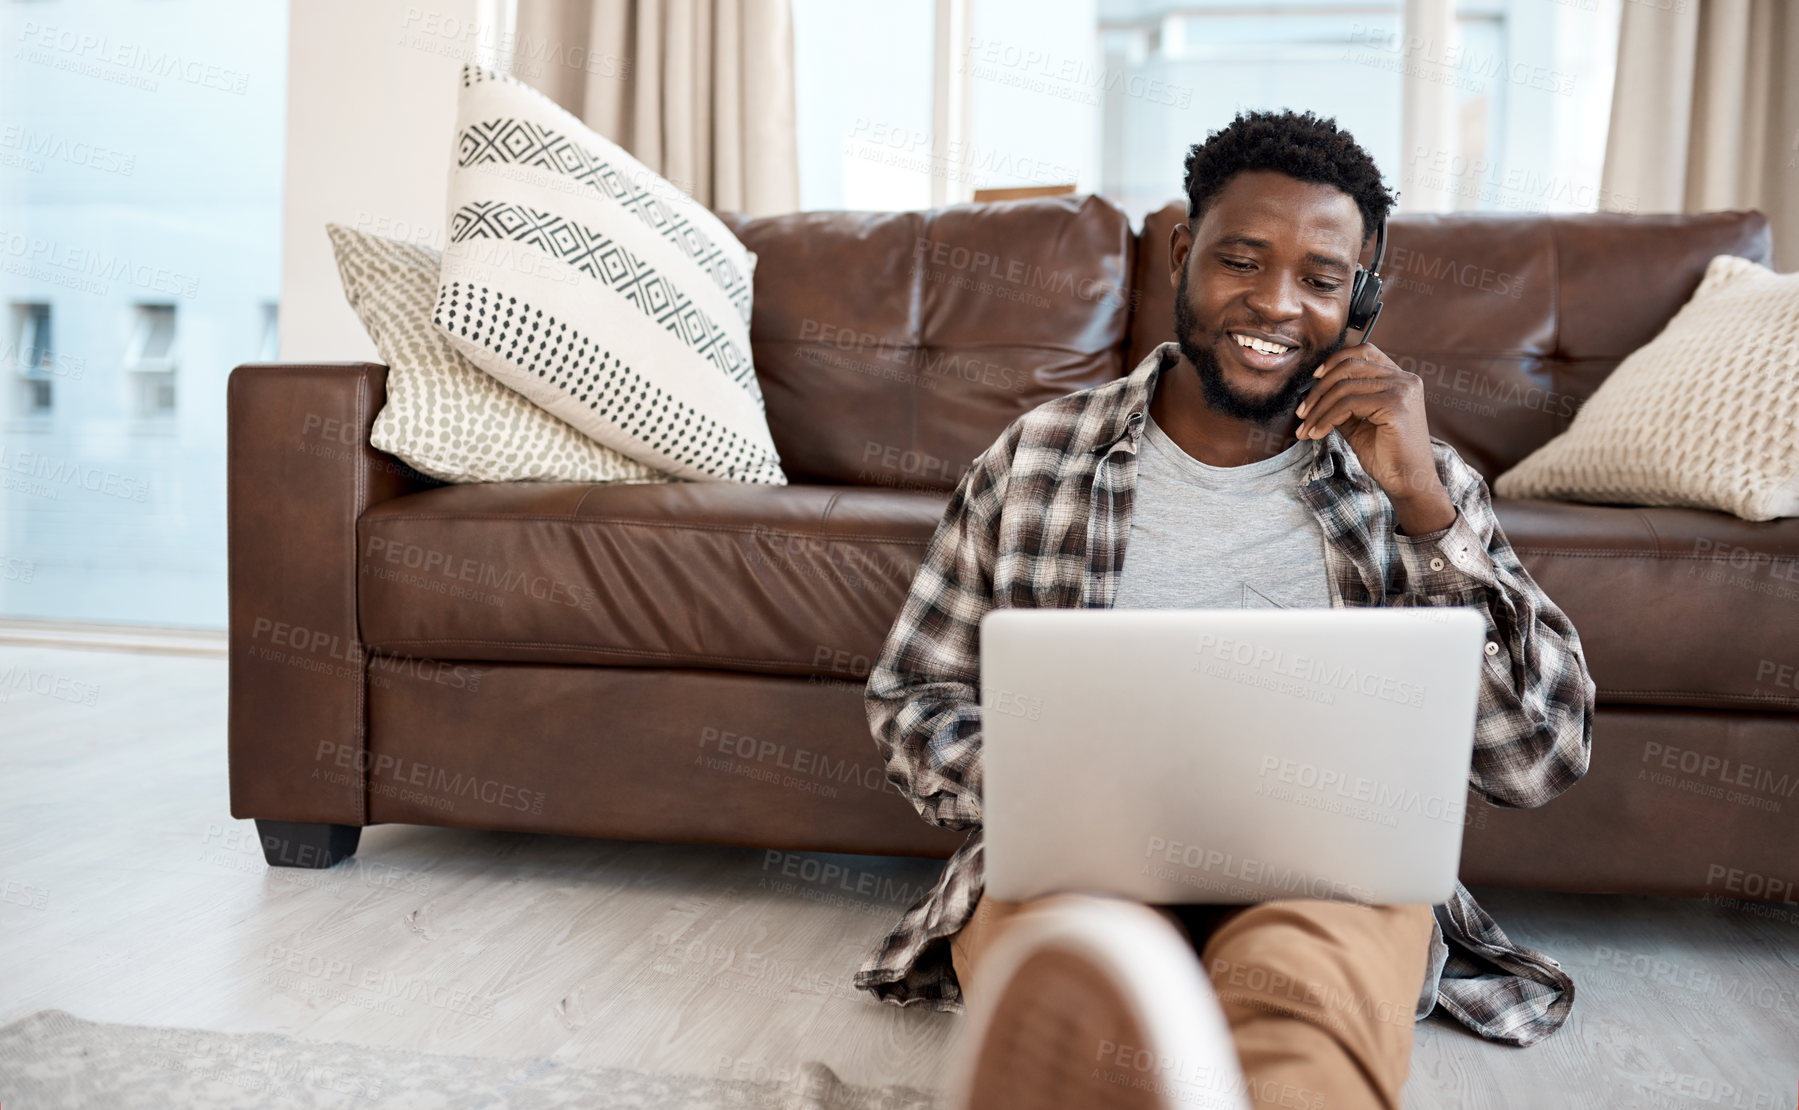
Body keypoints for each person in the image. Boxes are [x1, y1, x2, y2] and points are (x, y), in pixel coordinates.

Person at [853, 110, 1597, 1110]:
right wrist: (1044, 790)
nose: (1275, 304)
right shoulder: (1035, 457)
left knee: (1307, 1001)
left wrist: (1423, 510)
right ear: (1179, 256)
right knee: (1073, 980)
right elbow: (915, 693)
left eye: (1321, 281)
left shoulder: (1422, 485)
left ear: (1363, 300)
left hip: (1328, 877)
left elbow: (1538, 758)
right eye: (1240, 261)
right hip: (1080, 863)